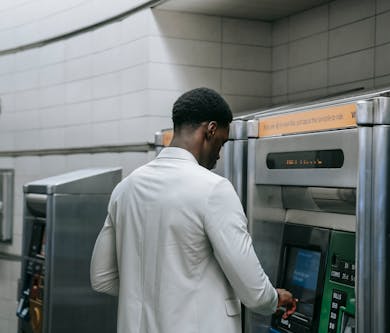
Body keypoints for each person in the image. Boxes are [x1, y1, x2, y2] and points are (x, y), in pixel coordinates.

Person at [90, 87, 297, 333]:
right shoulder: (213, 190)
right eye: (222, 141)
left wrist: (151, 296)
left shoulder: (125, 189)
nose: (220, 154)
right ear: (210, 130)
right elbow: (254, 293)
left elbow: (101, 278)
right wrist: (274, 299)